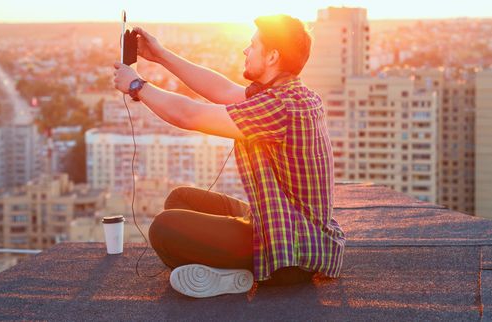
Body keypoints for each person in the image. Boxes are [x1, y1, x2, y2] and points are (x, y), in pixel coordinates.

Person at [112, 15, 345, 298]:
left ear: (272, 56)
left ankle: (238, 274)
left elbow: (189, 114)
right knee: (180, 200)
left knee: (163, 228)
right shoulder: (290, 94)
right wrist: (160, 55)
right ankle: (226, 271)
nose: (245, 50)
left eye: (253, 44)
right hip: (283, 223)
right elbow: (220, 89)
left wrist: (137, 86)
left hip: (291, 249)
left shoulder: (280, 107)